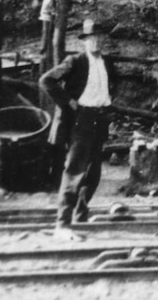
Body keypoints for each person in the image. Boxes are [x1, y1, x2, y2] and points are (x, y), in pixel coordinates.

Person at [40, 19, 117, 239]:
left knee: (94, 172)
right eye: (91, 38)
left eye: (99, 37)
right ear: (83, 41)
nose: (96, 41)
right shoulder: (74, 61)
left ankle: (81, 213)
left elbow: (111, 86)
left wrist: (108, 104)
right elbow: (47, 81)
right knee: (75, 170)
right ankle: (62, 224)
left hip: (99, 118)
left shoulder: (108, 62)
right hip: (81, 119)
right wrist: (68, 102)